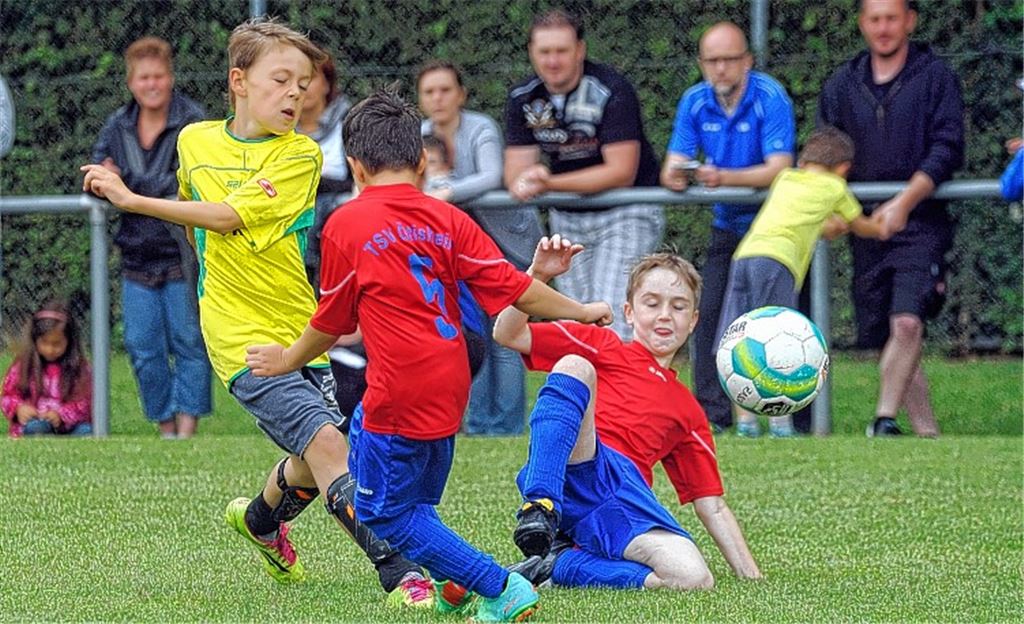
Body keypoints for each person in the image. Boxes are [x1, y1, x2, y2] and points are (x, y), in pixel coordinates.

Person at [81, 19, 434, 608]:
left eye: (305, 85)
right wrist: (219, 299)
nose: (297, 95)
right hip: (240, 341)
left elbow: (228, 217)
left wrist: (131, 198)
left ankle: (260, 520)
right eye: (282, 81)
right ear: (239, 82)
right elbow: (199, 221)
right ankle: (403, 572)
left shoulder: (299, 157)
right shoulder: (193, 141)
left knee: (309, 460)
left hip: (299, 334)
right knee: (329, 447)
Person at [244, 85, 612, 621]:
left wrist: (287, 359)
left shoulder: (346, 223)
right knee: (402, 486)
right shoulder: (447, 217)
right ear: (420, 162)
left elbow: (332, 321)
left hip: (402, 387)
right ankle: (455, 584)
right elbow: (514, 288)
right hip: (452, 375)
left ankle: (499, 586)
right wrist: (578, 309)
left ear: (354, 167)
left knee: (383, 513)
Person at [493, 239, 761, 590]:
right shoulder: (603, 345)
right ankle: (539, 505)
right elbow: (507, 332)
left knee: (693, 578)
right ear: (630, 311)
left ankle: (558, 564)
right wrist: (538, 275)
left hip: (620, 501)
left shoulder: (689, 410)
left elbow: (711, 504)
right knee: (575, 364)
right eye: (652, 303)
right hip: (576, 464)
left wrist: (752, 576)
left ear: (694, 321)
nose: (665, 315)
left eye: (679, 307)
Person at [818, 0, 965, 438]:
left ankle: (883, 420)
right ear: (863, 23)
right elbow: (826, 147)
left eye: (892, 18)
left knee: (907, 321)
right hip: (864, 226)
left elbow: (948, 147)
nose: (883, 28)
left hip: (920, 222)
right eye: (875, 19)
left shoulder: (936, 77)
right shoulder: (843, 83)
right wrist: (840, 209)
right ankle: (926, 430)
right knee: (891, 332)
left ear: (910, 21)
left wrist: (904, 202)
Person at [660, 21, 796, 434]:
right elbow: (672, 168)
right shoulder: (695, 101)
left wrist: (724, 178)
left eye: (729, 60)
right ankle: (716, 419)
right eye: (711, 60)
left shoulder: (770, 96)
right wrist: (681, 175)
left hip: (771, 228)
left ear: (747, 62)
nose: (720, 69)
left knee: (778, 326)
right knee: (712, 317)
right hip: (727, 226)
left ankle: (787, 415)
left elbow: (780, 168)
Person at [718, 127, 888, 438]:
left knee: (739, 338)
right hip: (778, 261)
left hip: (745, 255)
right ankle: (780, 423)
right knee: (778, 341)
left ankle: (746, 423)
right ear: (844, 167)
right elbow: (859, 224)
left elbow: (799, 216)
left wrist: (828, 226)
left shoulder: (785, 178)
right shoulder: (835, 187)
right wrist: (881, 228)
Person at [504, 9, 664, 340]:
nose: (552, 61)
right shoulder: (523, 97)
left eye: (561, 51)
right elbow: (516, 174)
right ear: (532, 52)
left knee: (614, 320)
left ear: (580, 50)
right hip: (568, 219)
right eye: (544, 52)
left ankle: (621, 392)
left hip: (625, 213)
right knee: (577, 323)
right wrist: (528, 179)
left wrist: (548, 183)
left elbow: (620, 171)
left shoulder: (612, 89)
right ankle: (589, 392)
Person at [90, 36, 211, 439]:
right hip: (135, 257)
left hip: (182, 254)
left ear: (170, 77)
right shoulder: (117, 125)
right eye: (144, 78)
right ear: (131, 82)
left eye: (159, 76)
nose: (152, 84)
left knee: (189, 343)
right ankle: (164, 428)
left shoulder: (193, 120)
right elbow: (96, 173)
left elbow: (189, 180)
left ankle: (188, 430)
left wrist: (127, 185)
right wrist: (115, 183)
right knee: (143, 349)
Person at [419, 59, 541, 435]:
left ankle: (506, 425)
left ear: (461, 95)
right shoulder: (419, 133)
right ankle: (477, 422)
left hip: (508, 244)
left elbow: (491, 177)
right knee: (471, 333)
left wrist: (445, 192)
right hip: (457, 250)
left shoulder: (481, 128)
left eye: (445, 90)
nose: (438, 99)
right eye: (429, 91)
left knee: (505, 335)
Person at [296, 49, 354, 292]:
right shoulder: (278, 127)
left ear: (327, 84)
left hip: (337, 208)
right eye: (297, 80)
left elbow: (355, 179)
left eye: (311, 78)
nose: (303, 87)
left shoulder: (348, 121)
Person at [2, 300, 92, 437]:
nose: (50, 349)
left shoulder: (80, 368)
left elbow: (85, 401)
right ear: (35, 339)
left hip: (71, 427)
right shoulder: (23, 366)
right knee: (36, 428)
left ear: (70, 341)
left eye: (57, 344)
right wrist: (18, 408)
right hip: (35, 423)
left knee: (87, 432)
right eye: (44, 343)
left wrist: (61, 415)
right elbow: (7, 395)